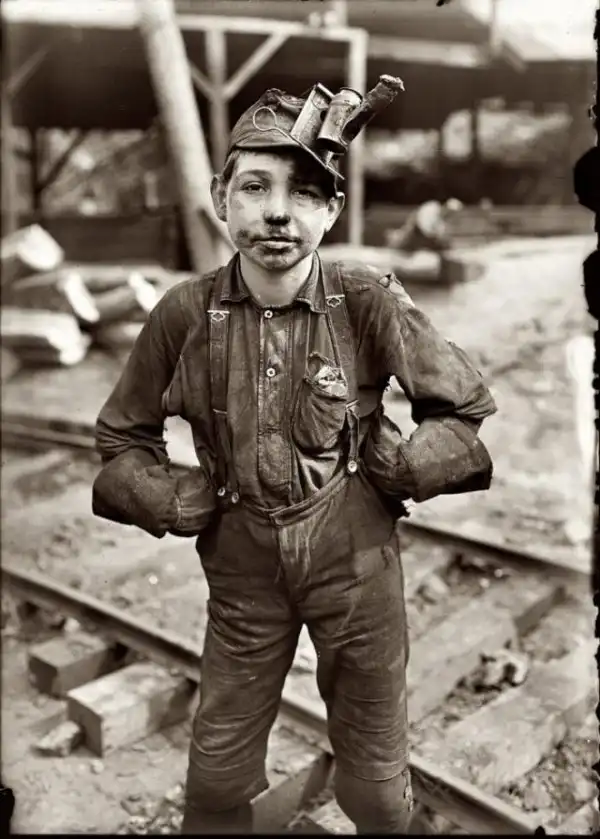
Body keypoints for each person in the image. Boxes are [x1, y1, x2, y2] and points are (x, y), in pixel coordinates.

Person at [92, 80, 497, 834]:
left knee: (375, 789)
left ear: (332, 210)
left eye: (305, 193)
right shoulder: (182, 314)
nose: (279, 212)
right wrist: (168, 497)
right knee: (216, 777)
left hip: (357, 566)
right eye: (255, 187)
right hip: (242, 573)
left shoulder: (367, 299)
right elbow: (120, 439)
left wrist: (413, 466)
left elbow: (462, 411)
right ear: (221, 198)